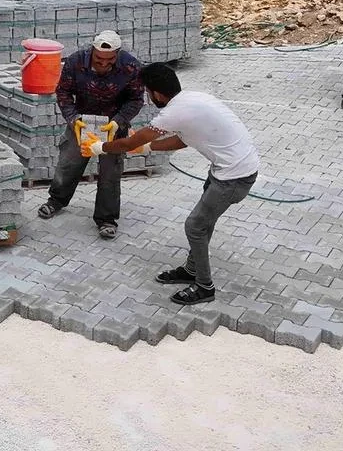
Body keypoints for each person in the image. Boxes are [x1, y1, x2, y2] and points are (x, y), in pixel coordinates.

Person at [93, 62, 260, 306]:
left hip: (234, 177)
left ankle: (204, 287)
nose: (149, 98)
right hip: (228, 169)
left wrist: (101, 147)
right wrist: (147, 147)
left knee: (195, 226)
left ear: (157, 93)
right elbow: (184, 139)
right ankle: (192, 270)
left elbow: (129, 144)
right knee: (204, 223)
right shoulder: (191, 100)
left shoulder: (173, 113)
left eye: (148, 93)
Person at [36, 30, 145, 240]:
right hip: (81, 122)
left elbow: (136, 99)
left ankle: (106, 219)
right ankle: (56, 200)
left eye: (109, 60)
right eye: (99, 59)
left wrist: (118, 121)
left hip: (112, 126)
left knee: (110, 173)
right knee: (68, 163)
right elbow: (63, 92)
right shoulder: (76, 61)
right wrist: (72, 118)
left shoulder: (131, 66)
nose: (103, 64)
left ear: (117, 54)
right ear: (92, 51)